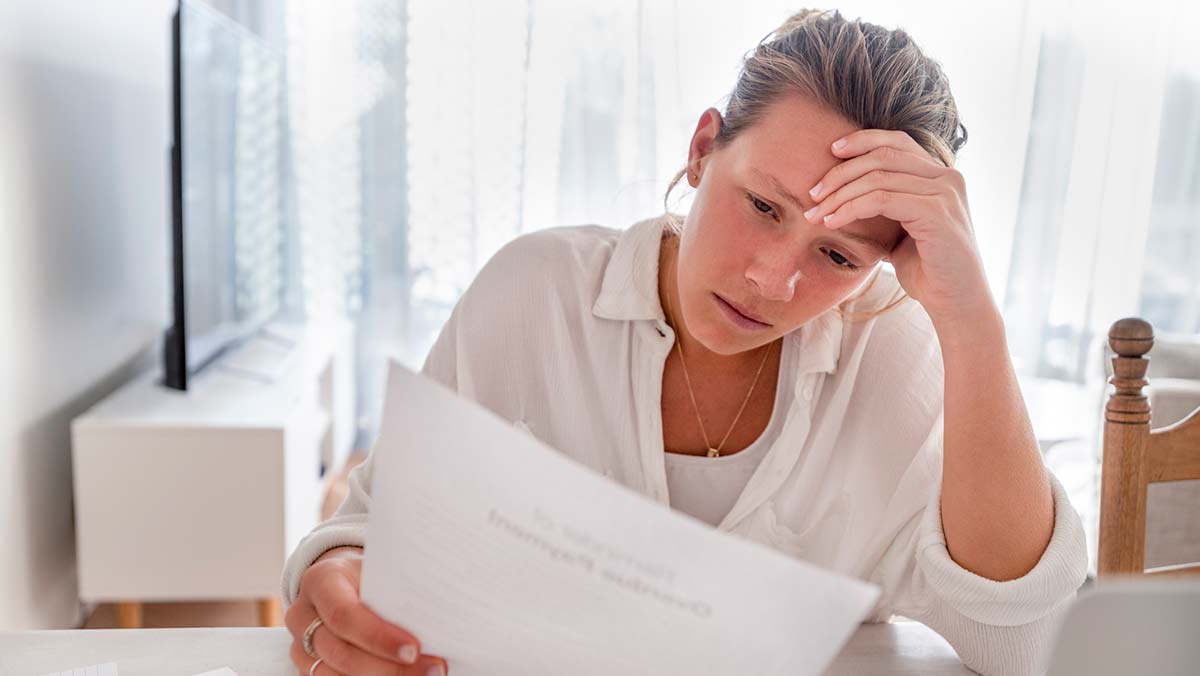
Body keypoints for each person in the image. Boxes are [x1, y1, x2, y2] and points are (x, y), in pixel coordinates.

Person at [281, 8, 1088, 676]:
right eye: (764, 208)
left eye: (838, 256)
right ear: (703, 149)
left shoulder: (895, 357)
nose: (773, 282)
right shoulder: (535, 294)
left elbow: (1024, 641)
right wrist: (336, 581)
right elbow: (371, 532)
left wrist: (971, 318)